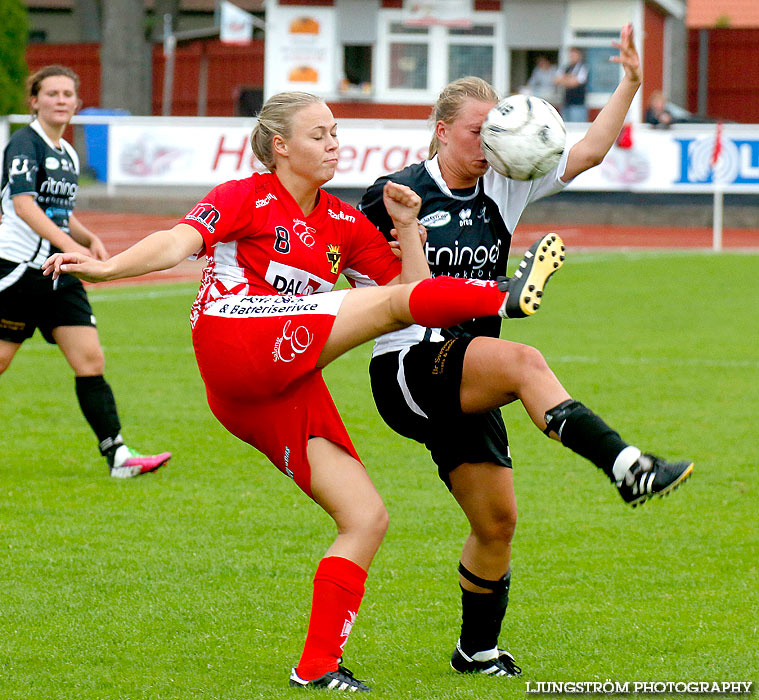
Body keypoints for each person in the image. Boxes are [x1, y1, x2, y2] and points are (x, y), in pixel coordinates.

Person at [43, 91, 561, 692]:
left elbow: (418, 300)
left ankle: (316, 668)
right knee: (387, 307)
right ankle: (506, 296)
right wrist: (106, 269)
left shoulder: (343, 221)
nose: (334, 143)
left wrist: (407, 228)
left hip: (273, 387)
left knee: (365, 517)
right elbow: (175, 243)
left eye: (336, 132)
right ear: (281, 145)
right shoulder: (244, 196)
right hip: (233, 340)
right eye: (319, 135)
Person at [358, 24, 692, 678]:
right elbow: (397, 293)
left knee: (496, 523)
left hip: (466, 371)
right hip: (408, 364)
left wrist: (629, 81)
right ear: (440, 129)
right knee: (525, 362)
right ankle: (627, 466)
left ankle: (475, 652)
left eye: (495, 131)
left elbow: (592, 149)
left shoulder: (505, 184)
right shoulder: (394, 194)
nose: (488, 144)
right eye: (475, 131)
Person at [0, 65, 171, 478]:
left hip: (59, 272)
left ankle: (119, 458)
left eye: (67, 94)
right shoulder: (25, 143)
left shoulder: (67, 152)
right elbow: (25, 206)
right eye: (52, 93)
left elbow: (59, 212)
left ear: (77, 103)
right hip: (20, 270)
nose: (61, 100)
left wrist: (86, 236)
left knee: (91, 359)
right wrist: (72, 246)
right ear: (34, 100)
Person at [555, 46, 589, 122]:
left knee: (578, 128)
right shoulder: (566, 67)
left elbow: (575, 83)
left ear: (579, 56)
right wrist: (570, 78)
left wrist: (565, 79)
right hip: (566, 103)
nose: (572, 57)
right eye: (571, 55)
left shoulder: (583, 67)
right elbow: (556, 80)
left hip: (578, 104)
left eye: (574, 55)